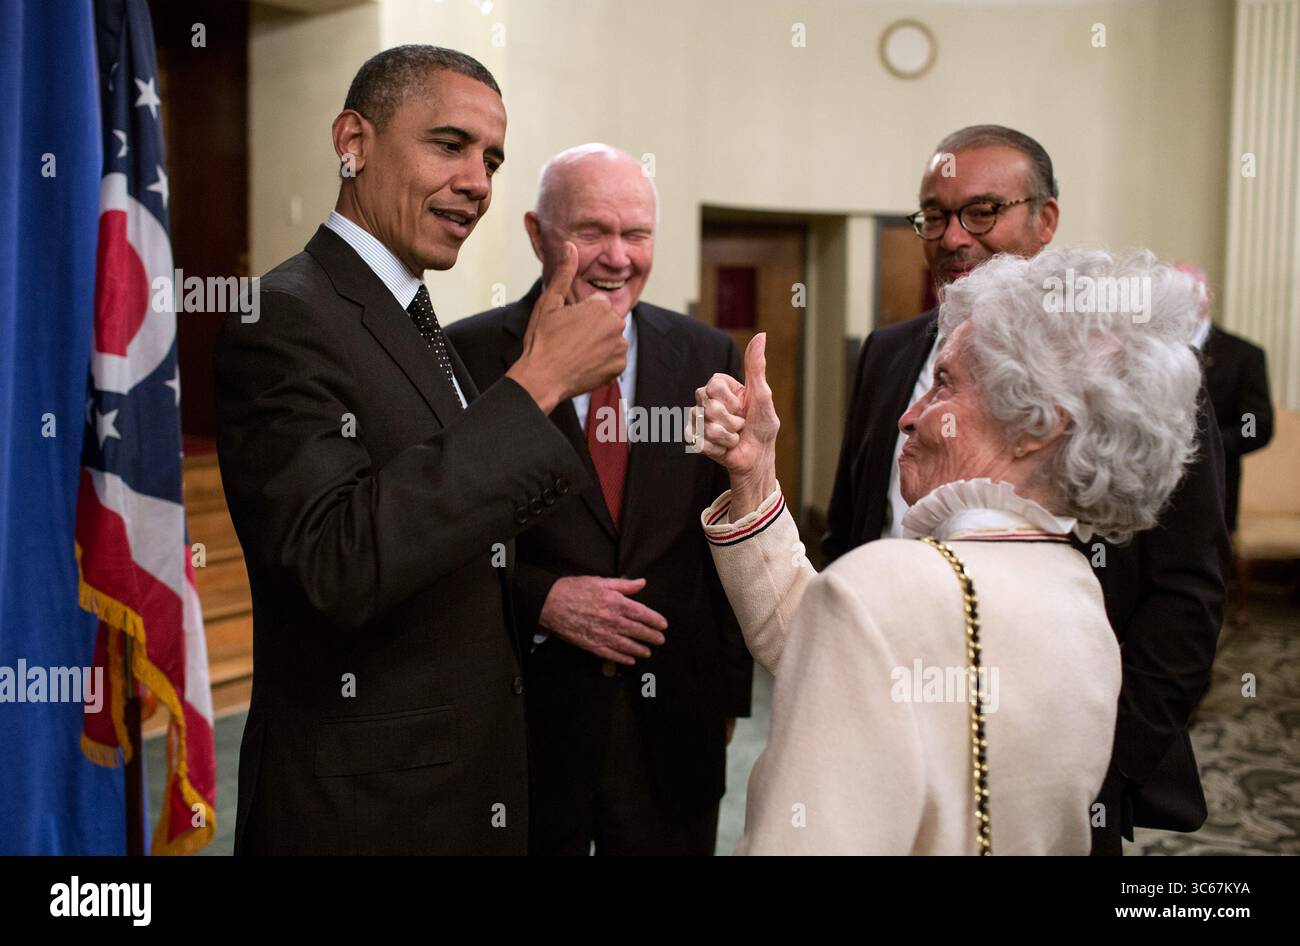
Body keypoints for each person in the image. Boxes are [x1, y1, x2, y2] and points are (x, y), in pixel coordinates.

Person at [214, 46, 627, 855]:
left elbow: (457, 524)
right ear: (353, 142)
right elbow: (336, 562)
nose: (478, 180)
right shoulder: (286, 314)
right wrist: (535, 385)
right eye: (449, 144)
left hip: (459, 783)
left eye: (493, 158)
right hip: (363, 808)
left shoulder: (405, 308)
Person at [691, 248, 1206, 854]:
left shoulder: (894, 586)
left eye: (944, 384)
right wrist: (754, 480)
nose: (909, 417)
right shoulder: (1075, 586)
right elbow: (833, 650)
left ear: (1038, 426)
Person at [822, 125, 1229, 853]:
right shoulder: (888, 352)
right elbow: (854, 527)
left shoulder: (1130, 371)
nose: (953, 236)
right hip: (886, 729)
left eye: (982, 211)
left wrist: (1099, 766)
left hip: (1055, 763)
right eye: (934, 215)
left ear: (1046, 220)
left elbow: (1187, 595)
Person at [448, 144, 752, 855]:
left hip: (674, 726)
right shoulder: (466, 357)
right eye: (591, 232)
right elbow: (438, 531)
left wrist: (727, 693)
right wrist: (540, 597)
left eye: (637, 233)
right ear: (536, 234)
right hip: (521, 722)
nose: (618, 256)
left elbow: (732, 530)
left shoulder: (708, 355)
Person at [1175, 264, 1274, 534]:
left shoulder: (1242, 356)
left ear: (1206, 298)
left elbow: (1254, 424)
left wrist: (1210, 446)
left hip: (1214, 487)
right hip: (1149, 497)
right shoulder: (1148, 349)